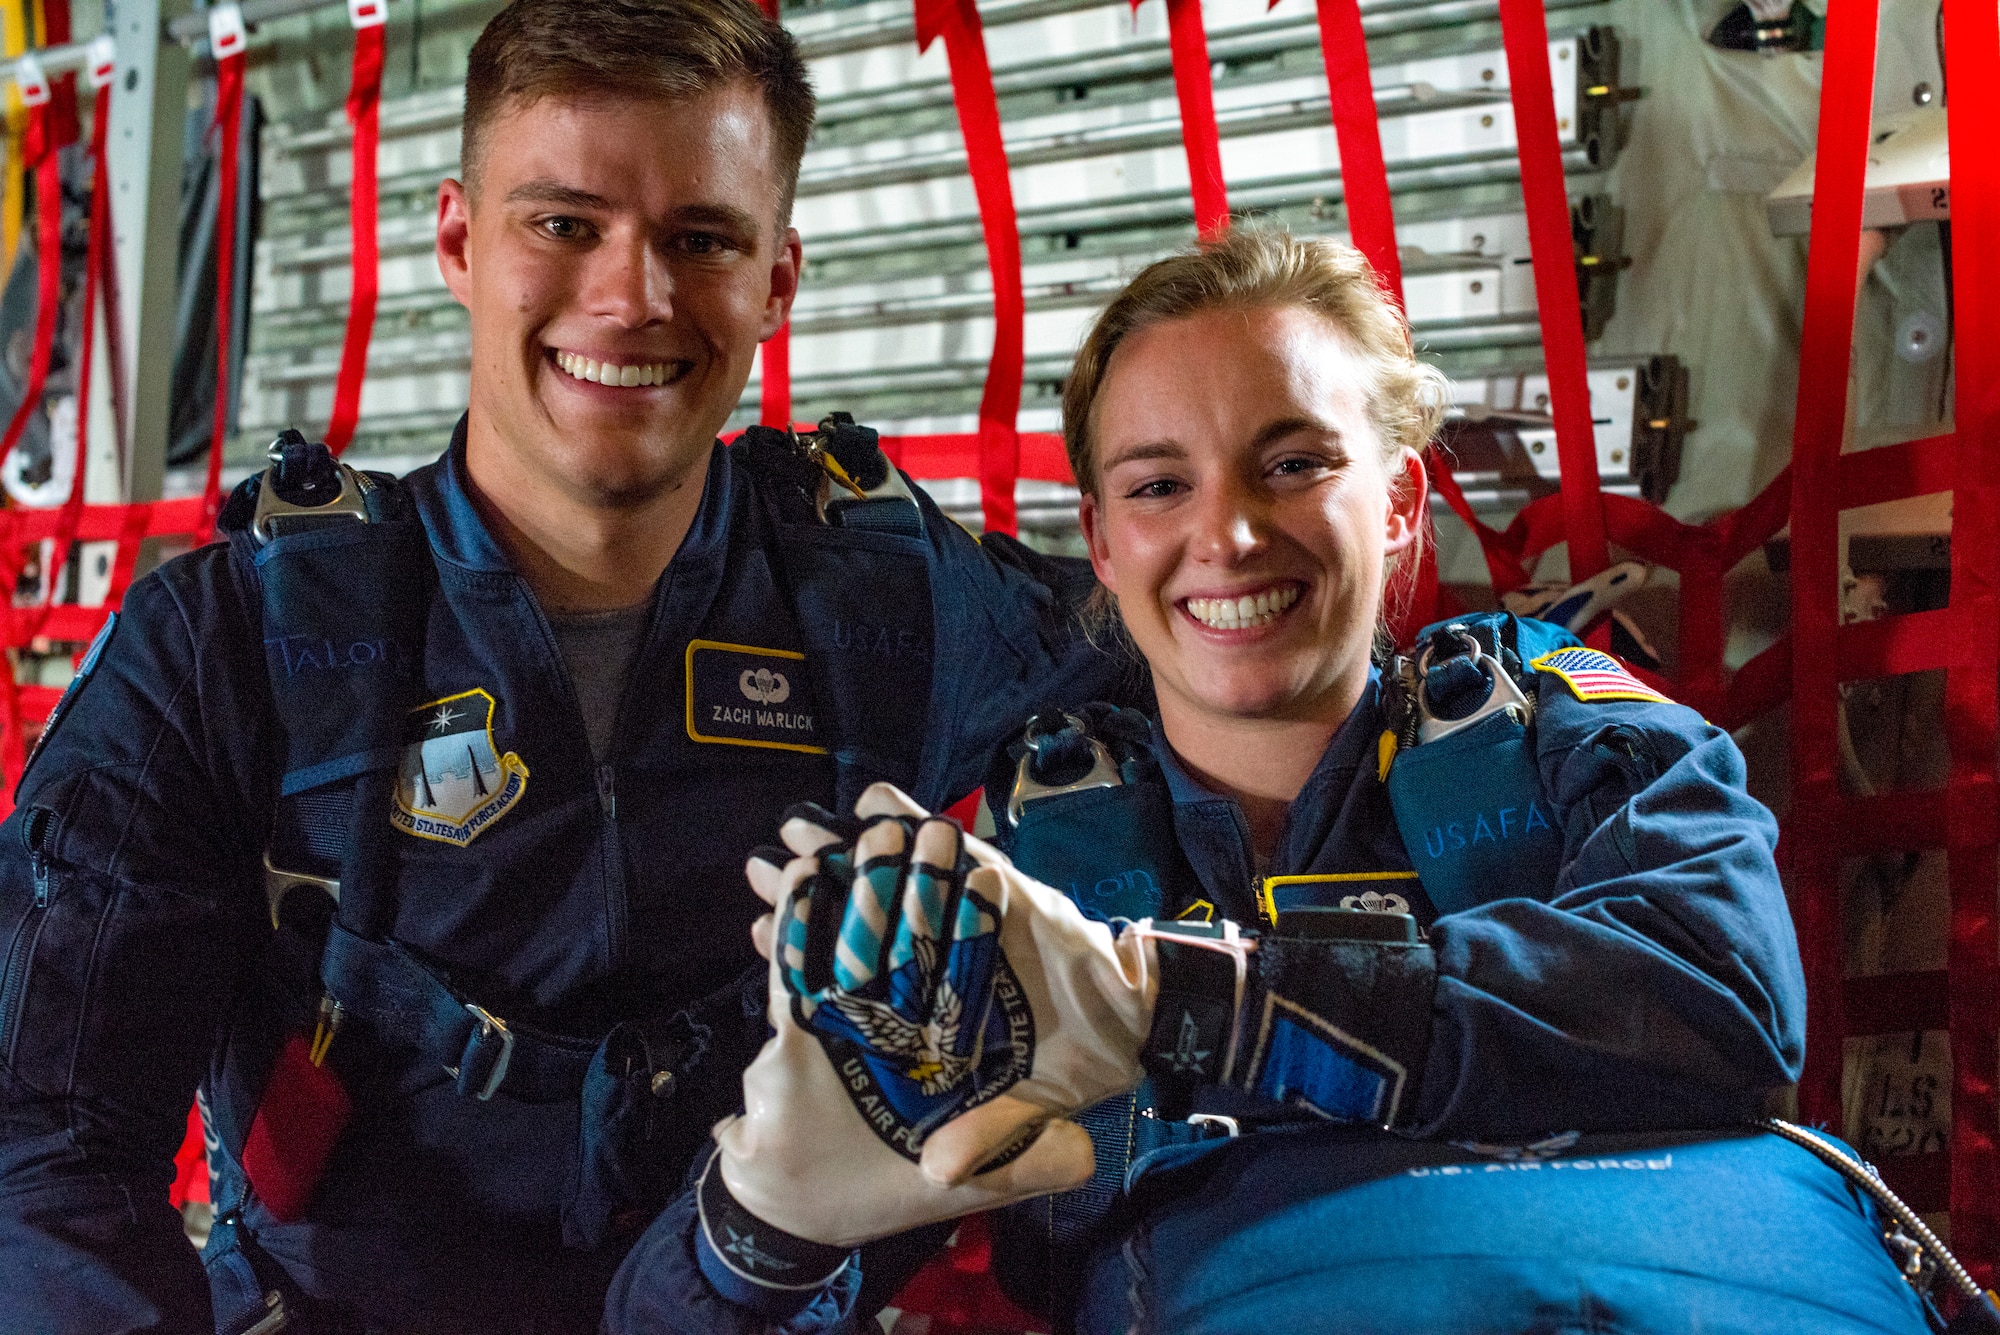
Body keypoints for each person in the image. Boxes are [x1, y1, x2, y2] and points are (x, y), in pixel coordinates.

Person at [0, 2, 1127, 1331]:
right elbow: (45, 1146)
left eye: (700, 239)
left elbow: (1194, 658)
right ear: (459, 241)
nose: (632, 296)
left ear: (776, 279)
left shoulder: (887, 595)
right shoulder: (235, 642)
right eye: (565, 223)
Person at [605, 228, 1952, 1335]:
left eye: (1296, 463)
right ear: (1105, 546)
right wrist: (761, 1232)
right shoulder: (1017, 883)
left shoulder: (1557, 727)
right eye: (1159, 486)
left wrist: (1179, 1005)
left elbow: (1722, 998)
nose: (1228, 535)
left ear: (1402, 504)